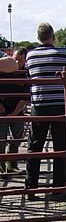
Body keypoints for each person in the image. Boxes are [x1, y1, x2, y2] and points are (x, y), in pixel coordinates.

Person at [25, 23, 66, 201]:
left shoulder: (30, 55)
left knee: (34, 148)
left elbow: (29, 76)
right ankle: (59, 189)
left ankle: (31, 188)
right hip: (60, 105)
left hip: (38, 106)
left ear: (38, 37)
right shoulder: (63, 53)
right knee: (61, 148)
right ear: (53, 37)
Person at [0, 47, 29, 175]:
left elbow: (25, 97)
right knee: (1, 138)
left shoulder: (26, 73)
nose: (17, 63)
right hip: (2, 108)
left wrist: (14, 113)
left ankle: (12, 164)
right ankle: (1, 167)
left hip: (17, 108)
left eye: (21, 60)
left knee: (16, 137)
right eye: (16, 59)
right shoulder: (3, 70)